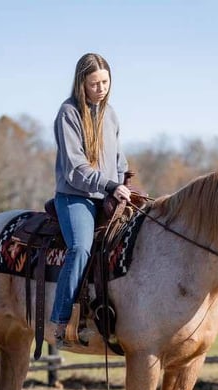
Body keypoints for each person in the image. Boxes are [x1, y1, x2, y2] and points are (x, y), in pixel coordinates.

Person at [50, 53, 131, 347]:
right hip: (76, 196)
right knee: (81, 247)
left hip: (109, 192)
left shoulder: (111, 115)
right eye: (94, 83)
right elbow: (75, 168)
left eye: (105, 82)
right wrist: (109, 184)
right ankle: (61, 321)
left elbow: (119, 158)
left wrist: (124, 183)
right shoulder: (68, 113)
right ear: (81, 83)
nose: (101, 89)